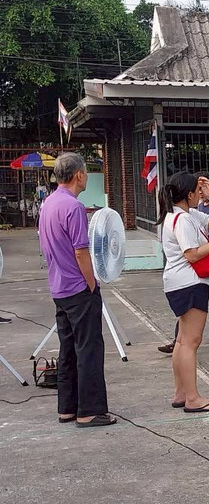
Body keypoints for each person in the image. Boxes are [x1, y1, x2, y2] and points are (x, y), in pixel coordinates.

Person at [37, 153, 113, 427]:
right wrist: (91, 283)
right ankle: (89, 410)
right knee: (89, 348)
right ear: (79, 175)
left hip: (59, 287)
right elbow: (81, 250)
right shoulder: (73, 207)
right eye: (86, 172)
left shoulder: (48, 203)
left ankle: (67, 407)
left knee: (68, 348)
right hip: (78, 288)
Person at [158, 171, 209, 413]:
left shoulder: (183, 214)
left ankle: (181, 393)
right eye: (198, 191)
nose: (200, 194)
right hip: (189, 283)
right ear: (188, 194)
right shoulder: (183, 220)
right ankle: (192, 397)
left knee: (182, 340)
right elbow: (192, 254)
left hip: (181, 282)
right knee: (191, 341)